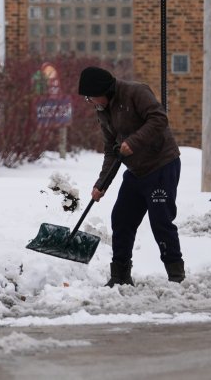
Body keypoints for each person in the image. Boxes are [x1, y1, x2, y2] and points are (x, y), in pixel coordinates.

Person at [78, 66, 185, 286]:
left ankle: (176, 275)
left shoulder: (136, 92)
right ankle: (120, 276)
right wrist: (102, 184)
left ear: (105, 90)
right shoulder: (102, 110)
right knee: (121, 219)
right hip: (136, 171)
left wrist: (132, 143)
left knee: (161, 222)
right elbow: (111, 150)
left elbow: (158, 119)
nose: (91, 102)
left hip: (161, 165)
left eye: (92, 97)